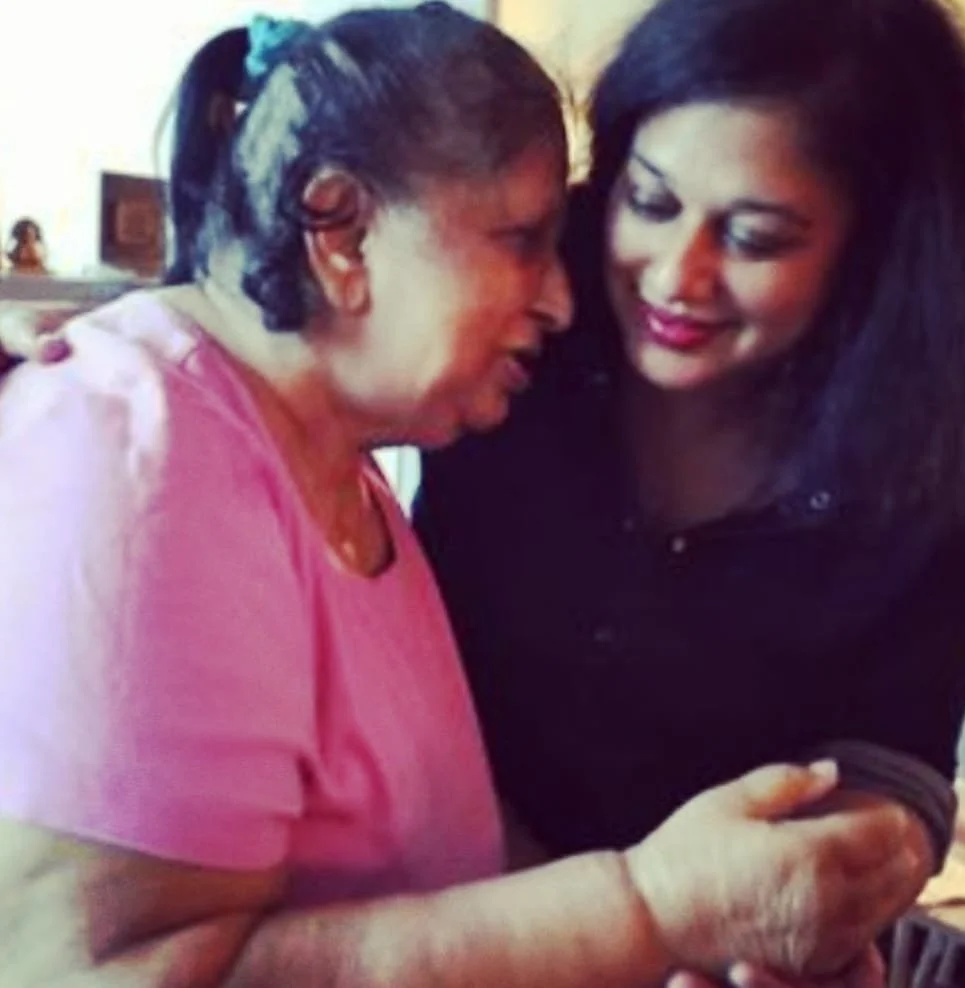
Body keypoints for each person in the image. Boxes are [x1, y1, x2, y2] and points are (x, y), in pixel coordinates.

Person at [0, 6, 914, 988]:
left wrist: (682, 948)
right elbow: (104, 972)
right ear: (342, 229)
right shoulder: (146, 457)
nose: (562, 299)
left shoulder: (346, 475)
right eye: (519, 237)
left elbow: (449, 859)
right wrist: (647, 905)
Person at [414, 0, 965, 911]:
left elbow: (895, 758)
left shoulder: (935, 443)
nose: (671, 278)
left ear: (874, 250)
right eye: (647, 200)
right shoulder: (512, 313)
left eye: (752, 238)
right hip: (421, 895)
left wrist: (837, 877)